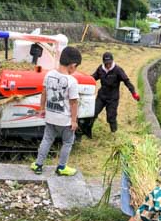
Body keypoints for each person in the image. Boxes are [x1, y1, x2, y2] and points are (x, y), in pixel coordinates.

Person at [30, 46, 82, 176]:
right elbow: (74, 102)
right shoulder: (72, 81)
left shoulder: (49, 74)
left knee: (47, 140)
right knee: (68, 142)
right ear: (72, 65)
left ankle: (38, 164)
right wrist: (74, 121)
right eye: (76, 67)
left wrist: (42, 109)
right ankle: (61, 167)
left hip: (50, 116)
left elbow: (44, 93)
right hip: (65, 120)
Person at [90, 52, 140, 134]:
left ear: (112, 61)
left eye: (110, 63)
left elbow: (126, 81)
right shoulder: (100, 69)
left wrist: (133, 93)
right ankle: (88, 131)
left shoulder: (118, 70)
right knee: (93, 113)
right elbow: (93, 78)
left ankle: (114, 133)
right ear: (103, 62)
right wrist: (84, 79)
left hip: (113, 98)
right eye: (106, 63)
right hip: (101, 96)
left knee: (111, 117)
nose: (108, 65)